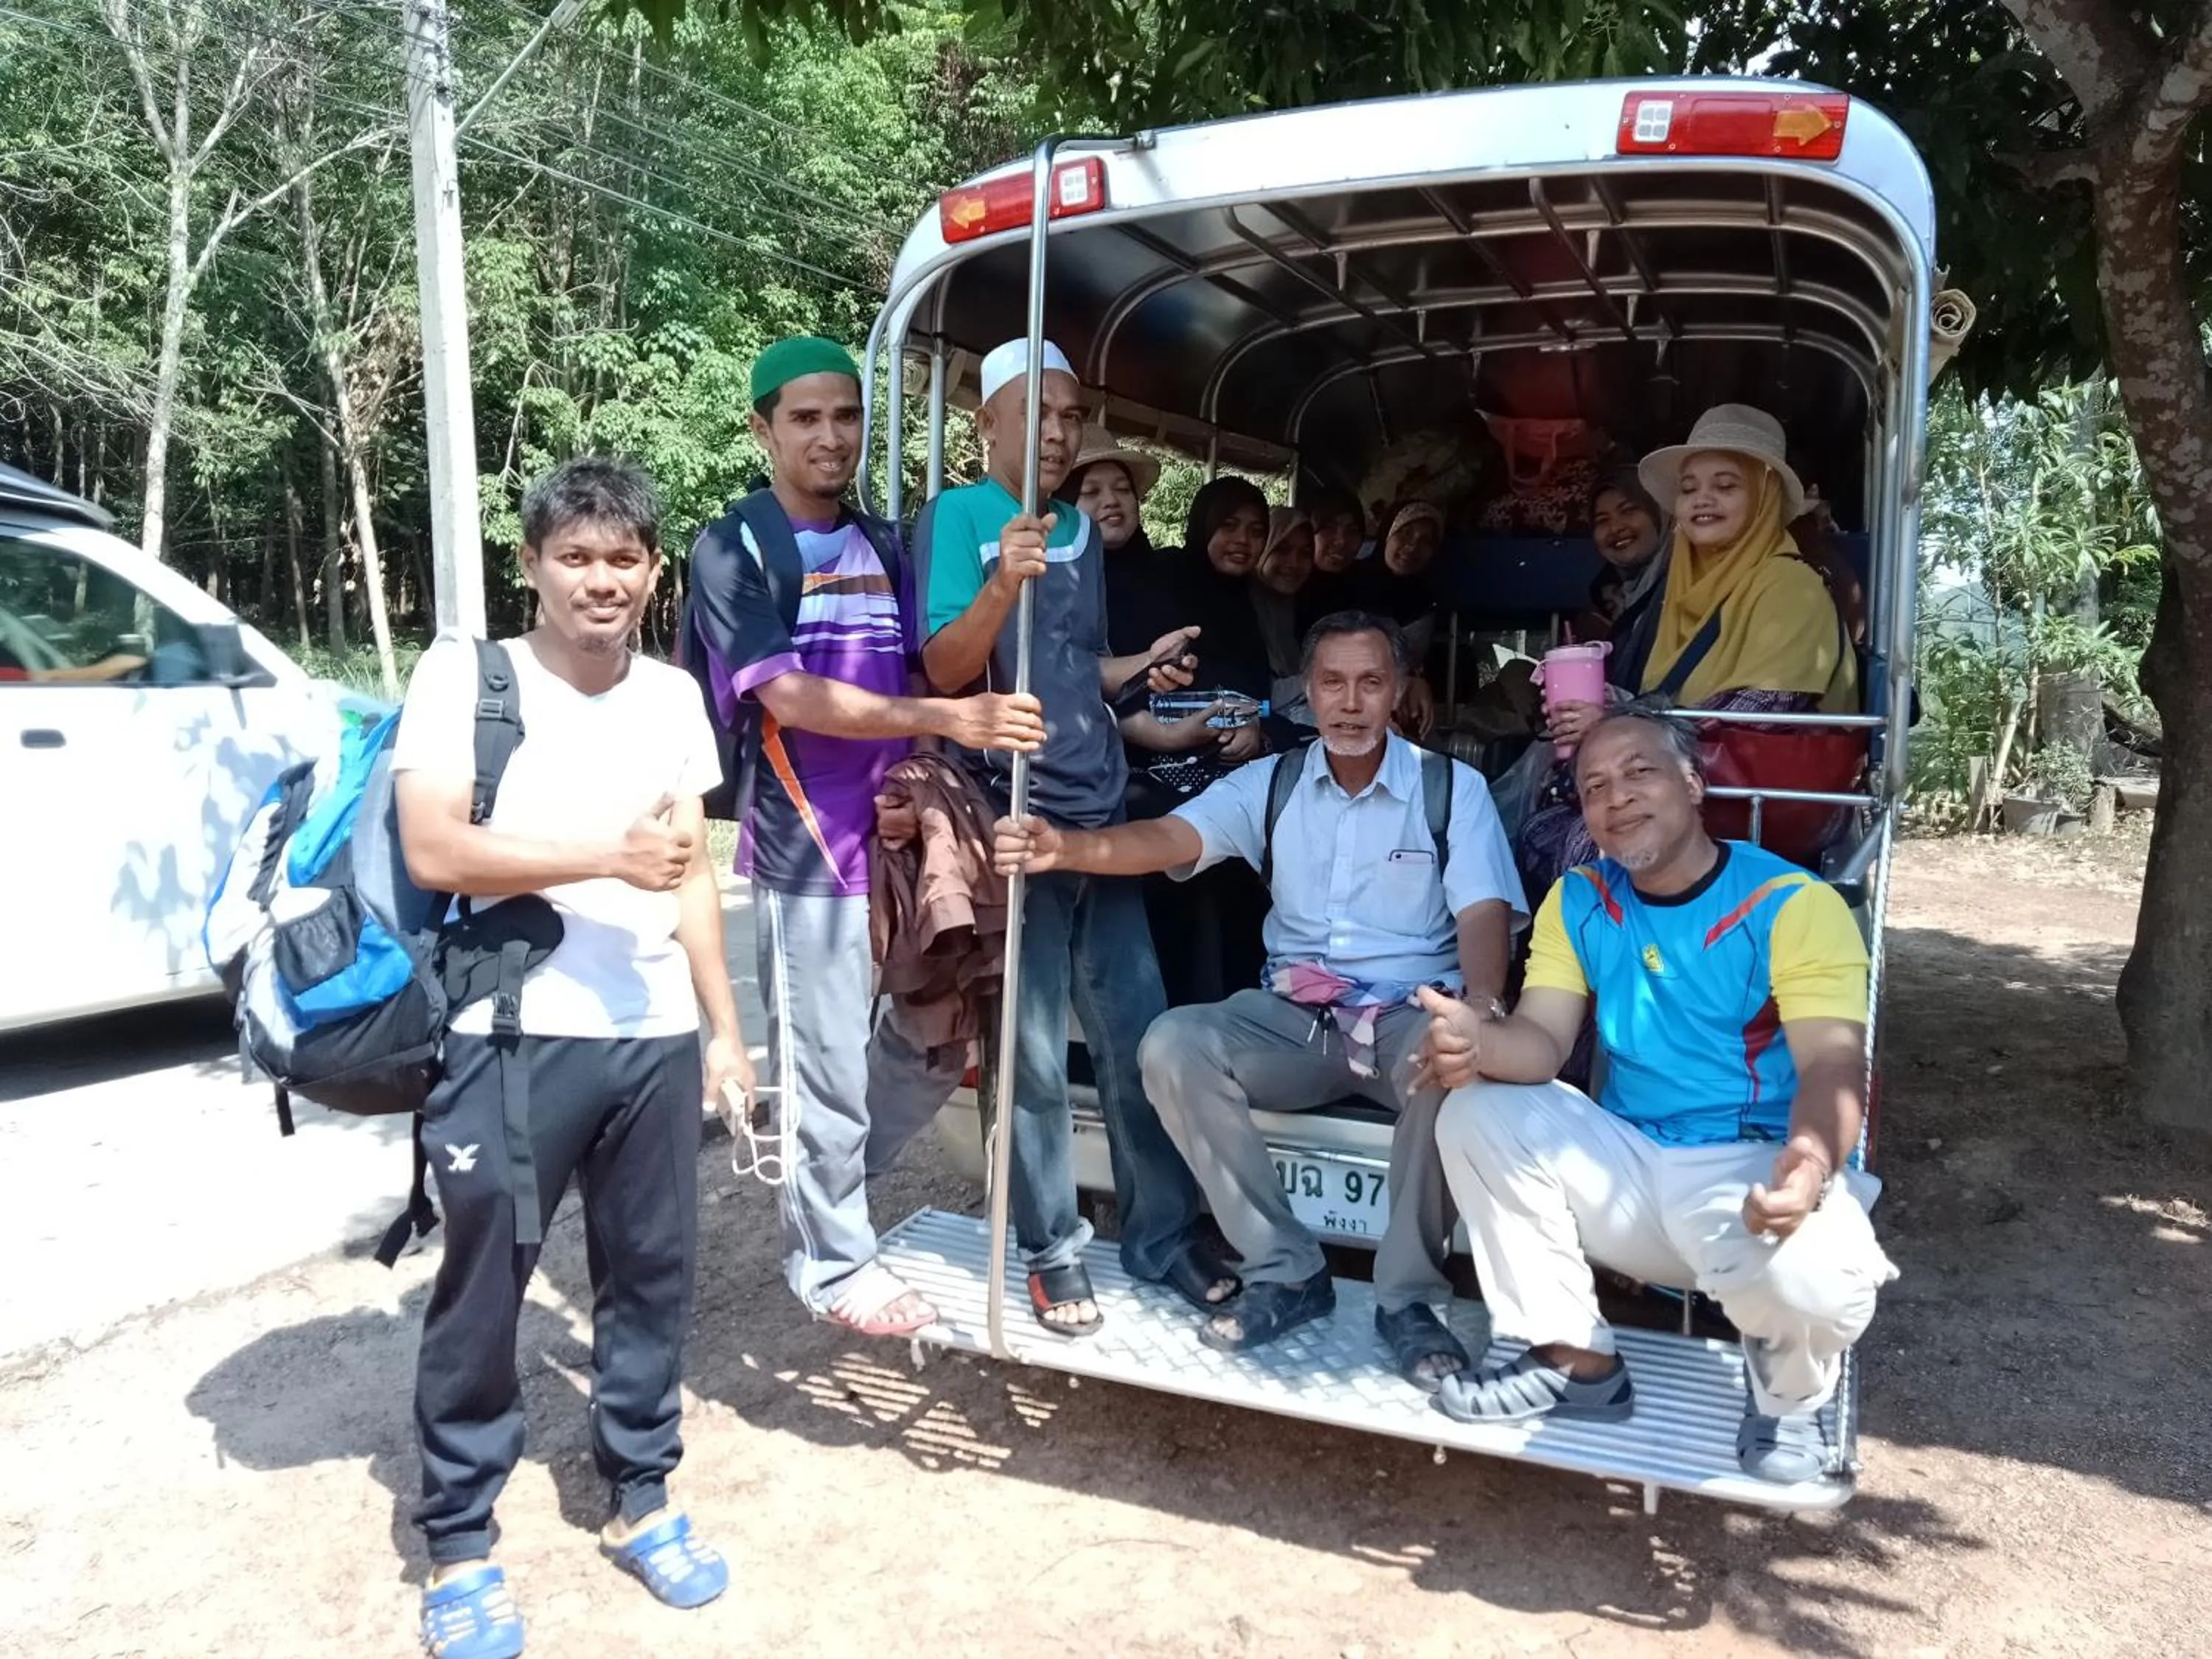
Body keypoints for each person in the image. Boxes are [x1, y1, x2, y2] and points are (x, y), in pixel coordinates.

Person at [392, 457, 746, 1658]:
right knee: (486, 1286)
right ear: (534, 565)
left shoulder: (672, 697)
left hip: (650, 1035)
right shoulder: (465, 676)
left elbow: (691, 868)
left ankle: (643, 1495)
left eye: (622, 559)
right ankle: (460, 1543)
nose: (601, 579)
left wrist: (723, 1031)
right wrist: (603, 853)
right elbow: (438, 848)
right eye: (575, 557)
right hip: (513, 1031)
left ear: (653, 569)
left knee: (651, 1278)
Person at [993, 612, 1526, 1379]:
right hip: (1297, 1020)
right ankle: (1287, 1269)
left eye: (1371, 682)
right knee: (1175, 1044)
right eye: (1333, 683)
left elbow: (1483, 913)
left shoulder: (1451, 789)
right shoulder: (1270, 783)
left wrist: (1478, 1006)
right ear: (1307, 694)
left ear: (1400, 693)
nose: (1350, 702)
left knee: (1452, 1063)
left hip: (1410, 1012)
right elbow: (1168, 841)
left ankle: (1407, 1299)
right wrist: (1064, 846)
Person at [1416, 706, 1896, 1482]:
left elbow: (1834, 1067)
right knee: (1476, 1107)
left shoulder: (1791, 904)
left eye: (1640, 773)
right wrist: (1479, 1043)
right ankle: (1575, 1362)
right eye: (1594, 786)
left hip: (1749, 1175)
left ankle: (1787, 1402)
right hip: (1632, 1167)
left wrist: (1809, 1161)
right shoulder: (1579, 900)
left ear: (1694, 782)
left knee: (1816, 1273)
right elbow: (1540, 1042)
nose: (1617, 798)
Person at [689, 335, 1046, 1337]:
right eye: (804, 418)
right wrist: (944, 722)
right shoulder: (734, 549)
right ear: (762, 428)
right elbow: (791, 696)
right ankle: (831, 1258)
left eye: (846, 415)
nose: (830, 435)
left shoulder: (887, 541)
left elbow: (930, 669)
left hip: (905, 838)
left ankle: (826, 1181)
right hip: (808, 845)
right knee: (826, 1065)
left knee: (937, 1047)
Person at [914, 336, 1238, 1335]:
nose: (1059, 432)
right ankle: (1052, 1247)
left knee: (1138, 1036)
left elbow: (1078, 667)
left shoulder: (1081, 534)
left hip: (1098, 807)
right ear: (989, 423)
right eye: (1040, 414)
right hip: (1018, 817)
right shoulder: (958, 518)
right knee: (1035, 1053)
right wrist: (1002, 582)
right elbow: (942, 667)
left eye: (1070, 414)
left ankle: (1159, 1233)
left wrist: (1148, 666)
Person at [1518, 405, 1857, 891]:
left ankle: (1616, 965)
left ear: (1763, 498)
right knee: (1539, 824)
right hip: (1692, 784)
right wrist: (1614, 707)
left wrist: (1617, 724)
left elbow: (1758, 716)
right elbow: (1673, 703)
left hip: (1755, 800)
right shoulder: (1686, 588)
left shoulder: (1790, 587)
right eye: (1690, 488)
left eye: (1725, 486)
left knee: (1586, 843)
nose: (1703, 500)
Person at [1251, 505, 1314, 714]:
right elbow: (1254, 704)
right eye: (1282, 549)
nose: (1294, 563)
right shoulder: (1239, 608)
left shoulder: (1293, 606)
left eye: (1305, 553)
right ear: (1262, 548)